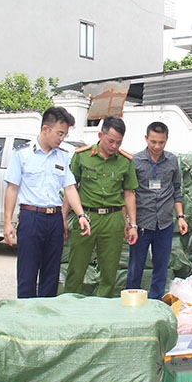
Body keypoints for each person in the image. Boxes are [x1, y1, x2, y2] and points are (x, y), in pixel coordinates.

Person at [4, 107, 91, 298]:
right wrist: (7, 222)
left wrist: (81, 215)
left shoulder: (63, 155)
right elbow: (12, 188)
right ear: (45, 129)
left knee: (51, 274)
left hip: (54, 220)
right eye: (59, 133)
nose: (62, 139)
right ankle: (25, 317)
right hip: (31, 217)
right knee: (27, 272)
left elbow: (70, 188)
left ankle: (46, 319)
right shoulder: (23, 154)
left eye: (65, 135)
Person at [64, 115, 139, 297]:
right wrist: (63, 217)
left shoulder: (125, 161)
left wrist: (133, 225)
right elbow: (70, 187)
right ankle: (69, 307)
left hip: (113, 220)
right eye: (111, 141)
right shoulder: (82, 156)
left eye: (118, 143)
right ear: (100, 135)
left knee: (109, 270)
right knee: (77, 267)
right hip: (87, 217)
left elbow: (129, 194)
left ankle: (102, 307)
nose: (114, 146)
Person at [126, 122, 189, 299]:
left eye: (161, 142)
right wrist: (130, 223)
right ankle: (132, 301)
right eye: (153, 141)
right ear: (146, 139)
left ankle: (156, 302)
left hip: (165, 223)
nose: (157, 146)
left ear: (166, 140)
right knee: (135, 267)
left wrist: (181, 217)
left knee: (161, 267)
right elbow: (128, 192)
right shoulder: (136, 161)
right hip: (142, 223)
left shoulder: (172, 161)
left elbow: (177, 189)